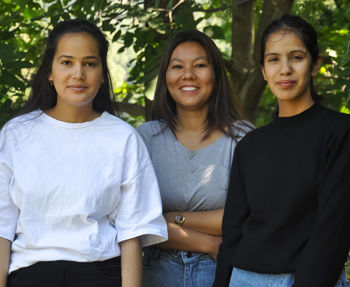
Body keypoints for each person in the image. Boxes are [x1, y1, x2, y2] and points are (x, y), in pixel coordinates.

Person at [0, 19, 167, 287]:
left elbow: (132, 234)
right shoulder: (16, 135)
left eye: (90, 63)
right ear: (50, 72)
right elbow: (2, 229)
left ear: (102, 74)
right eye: (67, 62)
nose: (78, 73)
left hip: (100, 275)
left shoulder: (122, 138)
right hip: (29, 276)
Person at [214, 14, 350, 287]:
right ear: (264, 71)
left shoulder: (340, 132)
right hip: (244, 279)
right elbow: (232, 234)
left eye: (296, 57)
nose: (284, 69)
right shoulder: (250, 145)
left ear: (315, 64)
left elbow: (333, 231)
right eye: (273, 59)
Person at [136, 29, 252, 287]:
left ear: (216, 74)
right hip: (156, 272)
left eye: (200, 65)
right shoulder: (145, 139)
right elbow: (137, 222)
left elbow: (247, 216)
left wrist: (172, 218)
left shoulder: (243, 138)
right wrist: (210, 243)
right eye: (177, 66)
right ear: (165, 76)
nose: (188, 74)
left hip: (224, 274)